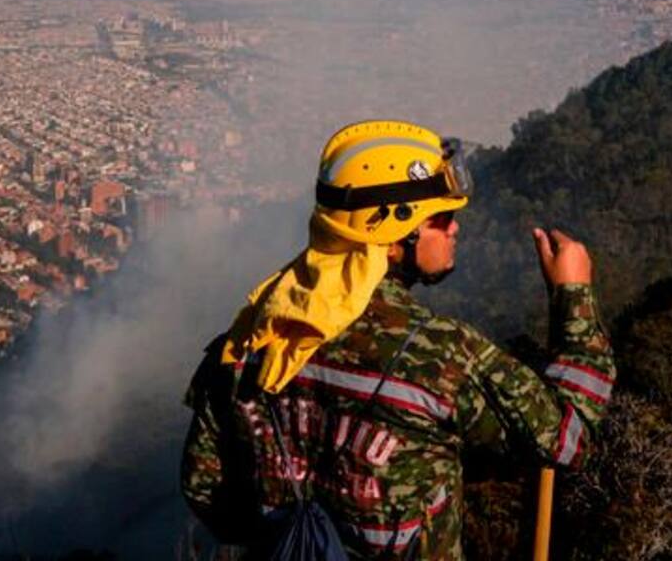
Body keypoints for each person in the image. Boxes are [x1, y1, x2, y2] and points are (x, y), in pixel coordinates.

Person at [181, 120, 615, 559]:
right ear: (390, 238)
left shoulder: (251, 338)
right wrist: (572, 295)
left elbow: (204, 487)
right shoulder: (443, 357)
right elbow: (568, 439)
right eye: (442, 218)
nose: (455, 229)